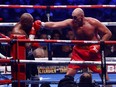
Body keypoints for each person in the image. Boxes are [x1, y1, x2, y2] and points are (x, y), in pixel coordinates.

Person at [33, 8, 112, 87]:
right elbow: (55, 24)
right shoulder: (71, 22)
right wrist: (42, 24)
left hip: (93, 52)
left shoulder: (93, 22)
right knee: (68, 78)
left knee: (105, 78)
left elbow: (108, 33)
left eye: (75, 17)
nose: (74, 20)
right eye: (73, 17)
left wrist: (98, 46)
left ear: (82, 16)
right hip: (79, 52)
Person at [11, 13, 41, 87]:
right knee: (25, 80)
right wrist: (33, 32)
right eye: (31, 22)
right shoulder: (18, 32)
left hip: (28, 55)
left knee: (35, 78)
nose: (32, 24)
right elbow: (27, 46)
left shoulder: (25, 27)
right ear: (25, 22)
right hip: (22, 59)